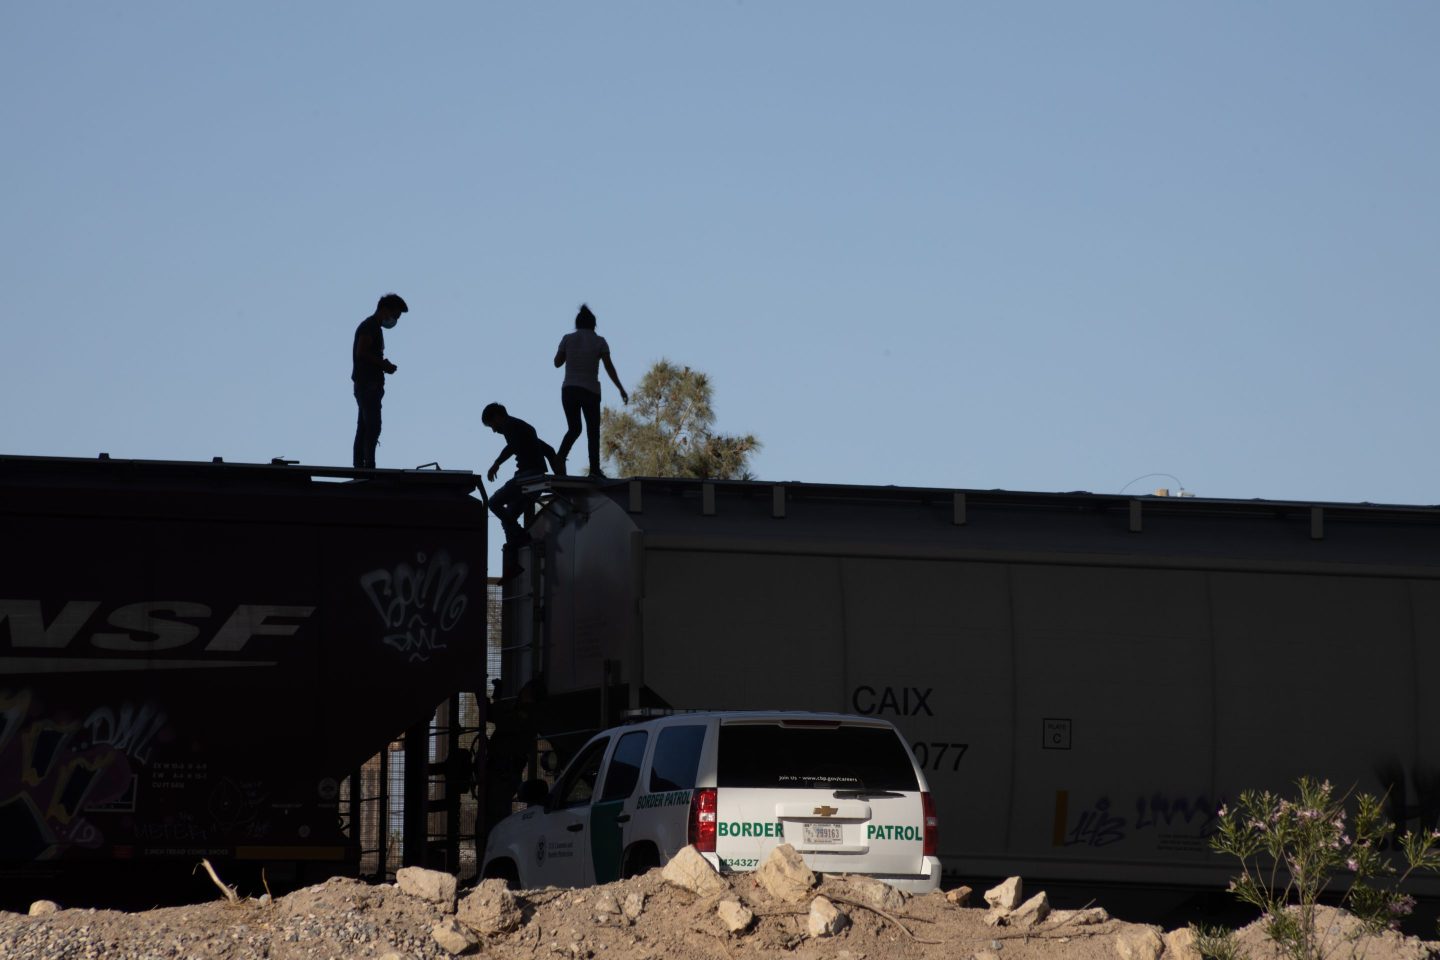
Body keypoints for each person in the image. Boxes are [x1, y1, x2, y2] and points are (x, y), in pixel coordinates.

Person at [554, 304, 627, 478]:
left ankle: (560, 457)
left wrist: (568, 353)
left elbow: (557, 362)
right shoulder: (599, 341)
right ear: (594, 324)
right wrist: (621, 388)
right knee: (592, 432)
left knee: (574, 428)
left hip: (569, 389)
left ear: (577, 324)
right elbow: (609, 367)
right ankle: (594, 469)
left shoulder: (568, 338)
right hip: (591, 391)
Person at [483, 403, 562, 545]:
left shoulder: (509, 425)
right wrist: (561, 478)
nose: (494, 430)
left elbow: (512, 446)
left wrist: (497, 463)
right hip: (535, 480)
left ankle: (524, 539)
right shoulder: (524, 428)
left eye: (492, 425)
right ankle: (515, 559)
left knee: (493, 503)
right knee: (508, 519)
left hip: (527, 478)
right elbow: (549, 450)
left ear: (497, 417)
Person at [351, 293, 408, 469]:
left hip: (369, 385)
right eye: (395, 315)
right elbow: (362, 352)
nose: (394, 320)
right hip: (367, 385)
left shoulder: (374, 328)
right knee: (373, 426)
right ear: (385, 310)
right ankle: (368, 466)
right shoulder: (370, 326)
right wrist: (383, 364)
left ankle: (361, 466)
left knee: (364, 427)